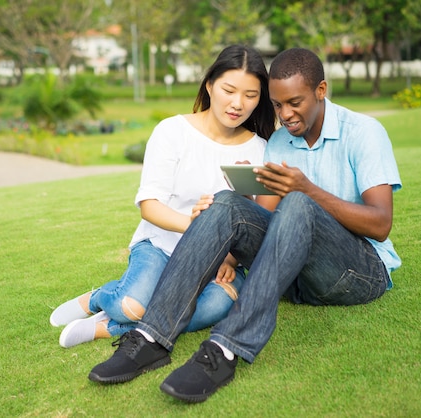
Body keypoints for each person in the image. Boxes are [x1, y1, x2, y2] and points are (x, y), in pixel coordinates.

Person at [86, 48, 402, 403]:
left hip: (359, 273)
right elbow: (262, 218)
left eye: (294, 103)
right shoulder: (281, 140)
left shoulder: (364, 132)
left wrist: (307, 190)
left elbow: (380, 224)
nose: (285, 115)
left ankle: (225, 350)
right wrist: (233, 242)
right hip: (296, 280)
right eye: (277, 105)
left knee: (299, 201)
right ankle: (151, 339)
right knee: (225, 201)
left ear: (321, 90)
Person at [49, 44, 276, 348]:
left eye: (251, 95)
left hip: (220, 259)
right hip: (161, 244)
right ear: (209, 86)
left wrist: (231, 256)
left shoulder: (260, 149)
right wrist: (201, 228)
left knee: (218, 305)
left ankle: (109, 327)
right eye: (229, 90)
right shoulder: (172, 132)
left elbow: (260, 220)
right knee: (132, 304)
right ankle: (102, 296)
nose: (238, 104)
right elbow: (150, 206)